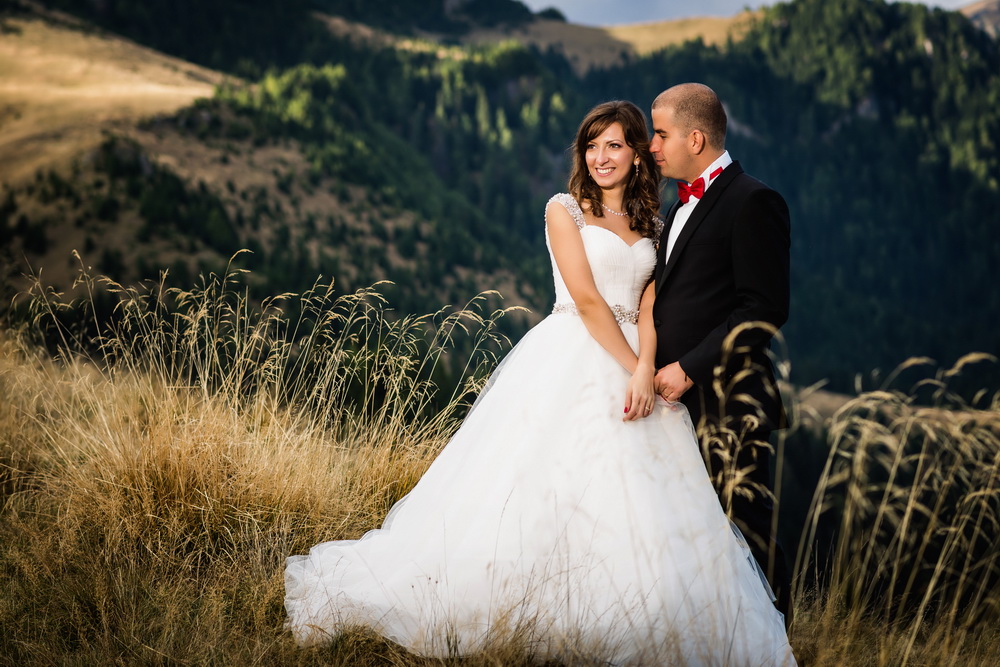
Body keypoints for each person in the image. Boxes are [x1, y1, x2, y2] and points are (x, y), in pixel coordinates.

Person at [284, 100, 796, 665]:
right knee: (544, 486)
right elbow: (587, 300)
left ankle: (649, 618)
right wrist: (639, 372)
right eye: (592, 145)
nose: (607, 155)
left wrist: (647, 367)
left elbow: (656, 301)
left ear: (638, 154)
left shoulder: (658, 217)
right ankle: (522, 608)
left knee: (650, 505)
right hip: (574, 355)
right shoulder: (564, 210)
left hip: (648, 370)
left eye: (620, 144)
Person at [649, 83, 793, 623]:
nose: (651, 146)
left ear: (696, 137)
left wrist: (688, 367)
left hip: (730, 401)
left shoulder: (754, 201)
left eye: (660, 134)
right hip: (675, 403)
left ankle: (777, 646)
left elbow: (764, 308)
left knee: (749, 530)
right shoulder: (678, 201)